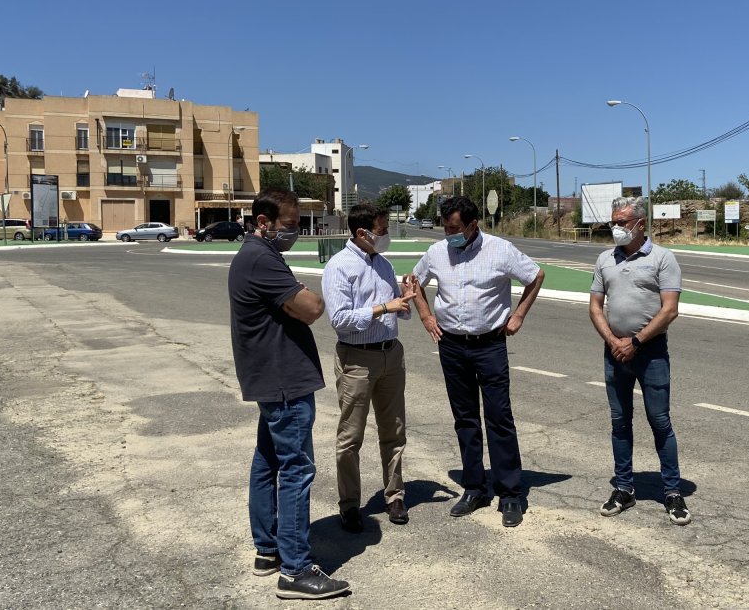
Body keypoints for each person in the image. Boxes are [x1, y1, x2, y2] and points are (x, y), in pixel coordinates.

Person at [228, 188, 350, 599]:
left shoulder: (257, 255)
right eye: (290, 225)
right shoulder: (261, 259)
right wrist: (300, 294)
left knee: (267, 463)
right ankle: (296, 570)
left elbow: (299, 305)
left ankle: (268, 550)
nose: (295, 232)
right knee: (297, 469)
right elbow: (313, 308)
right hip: (284, 381)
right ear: (264, 222)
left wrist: (296, 296)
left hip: (271, 379)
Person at [411, 196, 545, 528]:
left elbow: (535, 276)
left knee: (499, 417)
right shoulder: (437, 252)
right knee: (465, 419)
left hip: (490, 345)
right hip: (452, 345)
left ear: (473, 225)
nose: (448, 234)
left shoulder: (500, 250)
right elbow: (413, 283)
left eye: (454, 228)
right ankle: (474, 488)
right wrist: (426, 316)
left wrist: (519, 315)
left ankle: (510, 493)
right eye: (445, 227)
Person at [588, 197, 691, 526]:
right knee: (620, 422)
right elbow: (595, 306)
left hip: (650, 352)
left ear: (640, 223)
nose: (616, 227)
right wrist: (613, 341)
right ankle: (624, 487)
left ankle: (672, 491)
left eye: (622, 222)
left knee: (660, 422)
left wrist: (635, 341)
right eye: (613, 222)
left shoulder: (662, 258)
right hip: (614, 352)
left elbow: (670, 310)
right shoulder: (605, 259)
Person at [321, 203, 417, 533]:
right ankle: (349, 504)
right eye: (382, 229)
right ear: (362, 233)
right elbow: (340, 319)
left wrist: (405, 301)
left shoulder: (384, 264)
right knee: (351, 436)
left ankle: (395, 495)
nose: (386, 234)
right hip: (357, 359)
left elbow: (398, 311)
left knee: (394, 431)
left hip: (391, 354)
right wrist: (382, 307)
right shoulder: (339, 266)